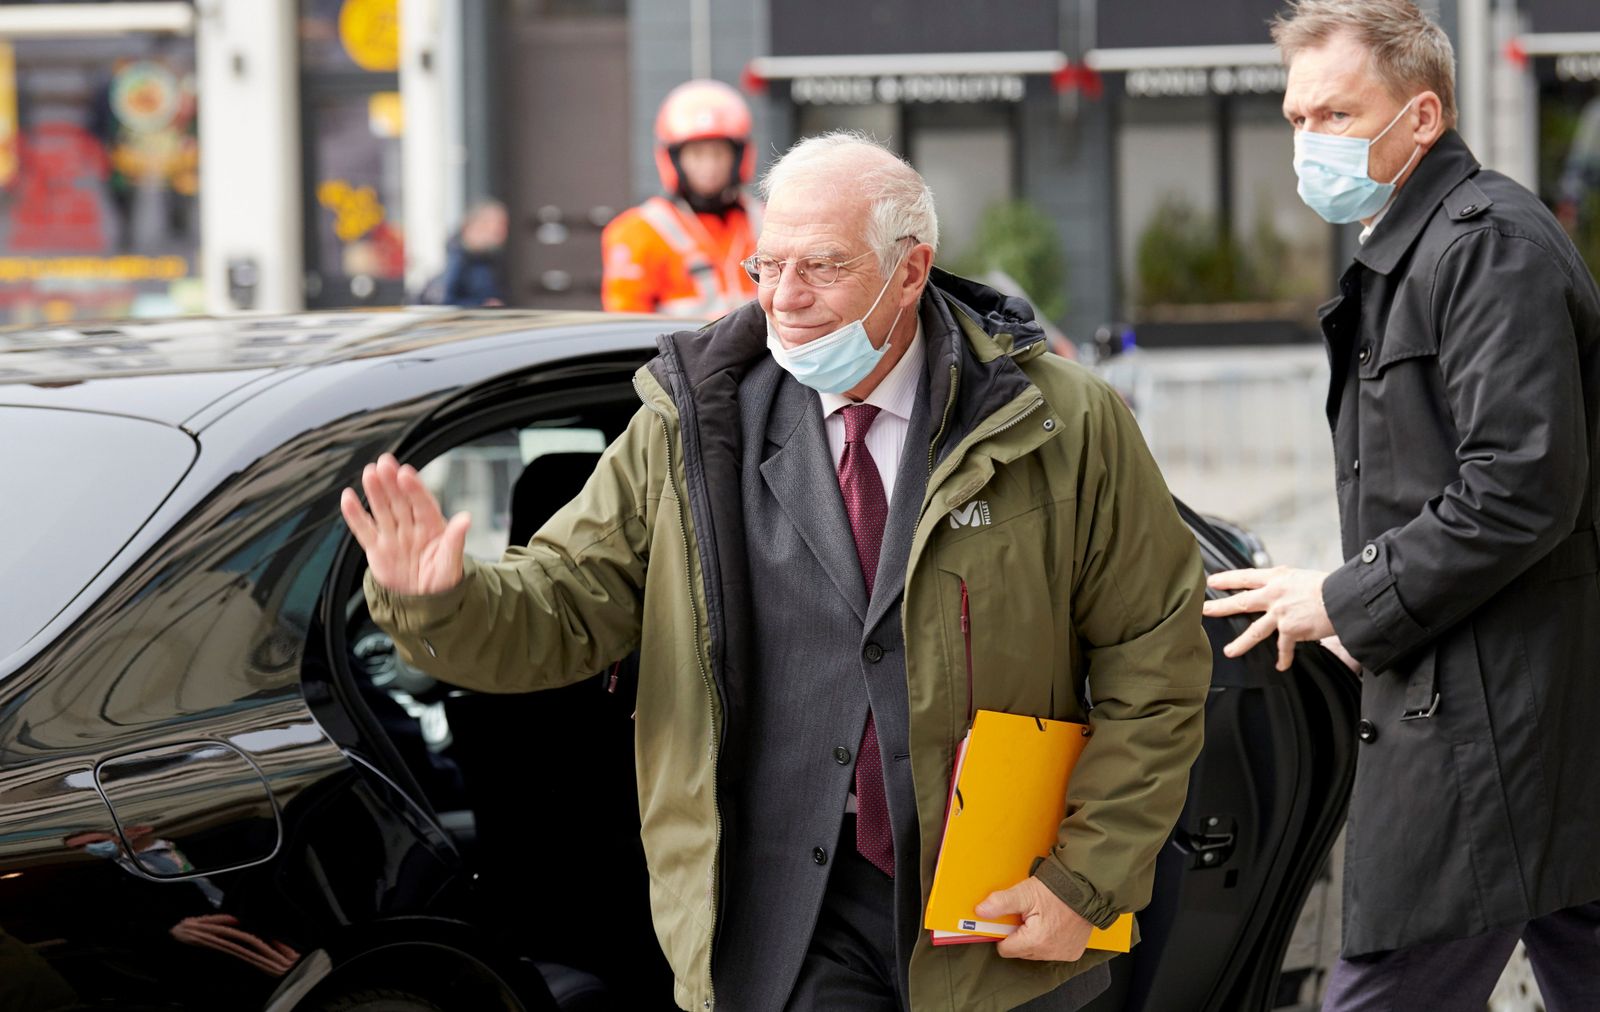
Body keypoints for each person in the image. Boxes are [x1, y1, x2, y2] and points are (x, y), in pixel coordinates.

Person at [342, 132, 1211, 1012]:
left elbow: (1157, 661)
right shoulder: (691, 424)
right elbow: (566, 602)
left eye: (823, 268)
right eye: (767, 265)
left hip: (1004, 901)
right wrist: (438, 600)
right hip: (783, 921)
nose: (784, 300)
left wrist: (1083, 881)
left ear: (911, 271)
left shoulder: (1064, 422)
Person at [1202, 3, 1600, 1009]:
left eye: (1333, 115)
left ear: (1420, 117)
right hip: (1509, 712)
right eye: (1295, 118)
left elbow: (1518, 485)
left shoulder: (1484, 245)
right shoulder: (1420, 247)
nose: (1307, 142)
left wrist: (1342, 599)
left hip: (1489, 730)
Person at [600, 79, 761, 317]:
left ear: (738, 158)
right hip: (682, 355)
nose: (710, 166)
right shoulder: (636, 232)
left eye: (719, 153)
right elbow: (624, 324)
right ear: (674, 159)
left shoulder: (766, 221)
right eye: (697, 154)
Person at [435, 199, 509, 307]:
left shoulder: (489, 259)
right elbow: (446, 301)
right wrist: (481, 305)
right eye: (499, 224)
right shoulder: (458, 259)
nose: (503, 231)